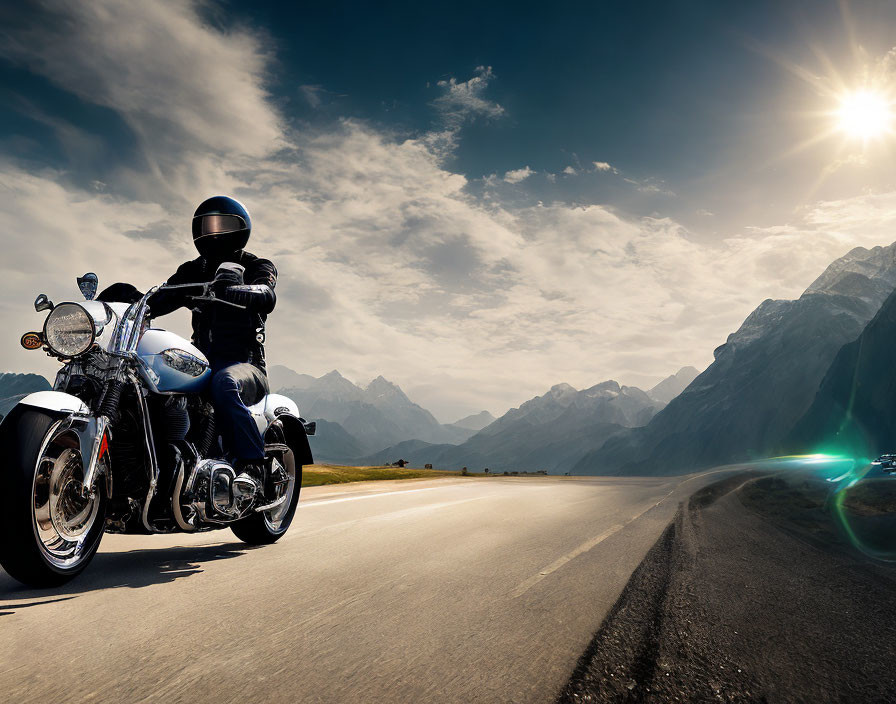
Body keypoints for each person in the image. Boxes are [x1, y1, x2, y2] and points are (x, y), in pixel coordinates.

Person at [149, 196, 277, 497]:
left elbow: (266, 293)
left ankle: (252, 466)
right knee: (152, 382)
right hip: (200, 362)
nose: (214, 231)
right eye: (207, 224)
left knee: (223, 383)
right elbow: (162, 298)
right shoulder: (192, 270)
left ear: (241, 228)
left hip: (245, 365)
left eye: (222, 223)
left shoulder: (255, 264)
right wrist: (127, 298)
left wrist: (237, 289)